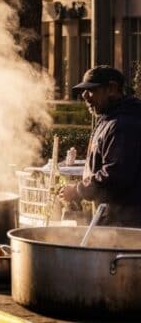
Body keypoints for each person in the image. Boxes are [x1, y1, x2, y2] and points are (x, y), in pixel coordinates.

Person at [60, 66, 141, 227]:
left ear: (112, 88)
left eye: (91, 90)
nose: (84, 96)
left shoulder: (123, 124)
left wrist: (78, 190)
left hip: (126, 224)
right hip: (116, 219)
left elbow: (115, 175)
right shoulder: (111, 119)